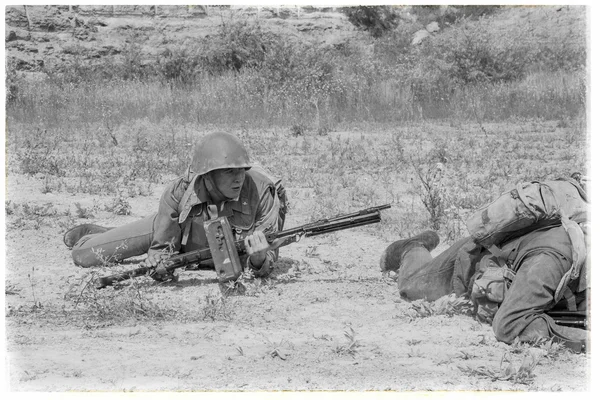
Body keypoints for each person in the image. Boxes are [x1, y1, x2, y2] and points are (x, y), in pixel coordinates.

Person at [380, 176, 589, 352]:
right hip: (466, 264)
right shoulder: (552, 260)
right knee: (410, 286)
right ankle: (412, 247)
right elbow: (508, 325)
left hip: (512, 255)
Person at [63, 131, 287, 281]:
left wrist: (258, 260)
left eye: (241, 171)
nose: (239, 178)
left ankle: (112, 232)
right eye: (229, 172)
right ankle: (95, 234)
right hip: (174, 230)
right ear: (208, 176)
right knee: (85, 255)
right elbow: (163, 250)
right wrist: (159, 264)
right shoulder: (179, 192)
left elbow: (268, 256)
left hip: (198, 246)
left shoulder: (262, 192)